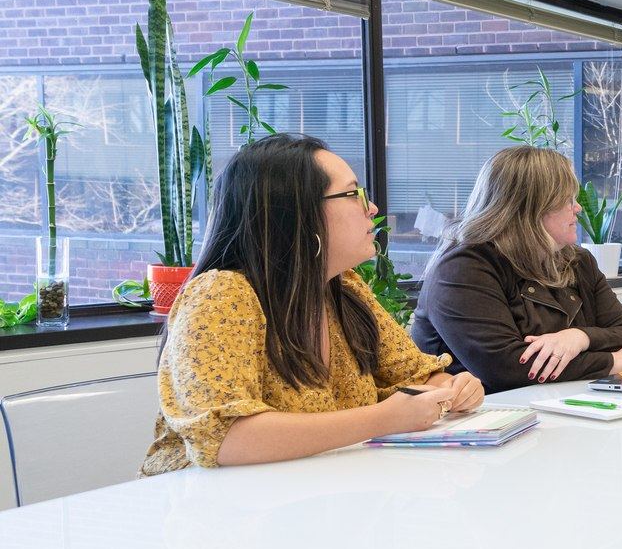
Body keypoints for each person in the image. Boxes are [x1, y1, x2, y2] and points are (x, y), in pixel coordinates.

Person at [144, 135, 483, 474]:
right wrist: (384, 419)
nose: (372, 208)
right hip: (213, 509)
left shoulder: (342, 286)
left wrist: (451, 388)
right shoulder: (221, 294)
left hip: (316, 495)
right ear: (297, 213)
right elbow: (227, 439)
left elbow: (415, 375)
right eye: (354, 194)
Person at [411, 146, 622, 391]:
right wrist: (613, 361)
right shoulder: (463, 267)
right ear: (532, 208)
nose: (577, 208)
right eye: (568, 200)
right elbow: (507, 368)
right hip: (485, 418)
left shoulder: (578, 261)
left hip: (562, 405)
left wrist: (579, 337)